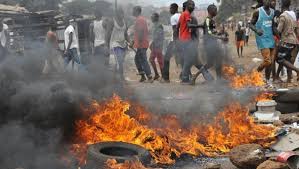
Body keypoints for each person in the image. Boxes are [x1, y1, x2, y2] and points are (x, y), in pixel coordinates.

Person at [178, 0, 212, 84]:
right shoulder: (187, 15)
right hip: (188, 41)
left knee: (195, 61)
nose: (193, 6)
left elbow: (177, 27)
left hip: (186, 41)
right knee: (189, 61)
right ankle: (185, 79)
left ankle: (209, 78)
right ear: (186, 6)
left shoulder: (184, 15)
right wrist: (201, 26)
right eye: (191, 5)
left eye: (194, 5)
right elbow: (192, 29)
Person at [250, 0, 276, 86]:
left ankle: (267, 81)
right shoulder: (258, 11)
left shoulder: (273, 12)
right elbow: (250, 24)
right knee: (267, 61)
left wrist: (279, 35)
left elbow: (273, 26)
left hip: (271, 38)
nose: (268, 1)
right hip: (262, 39)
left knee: (271, 62)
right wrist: (257, 30)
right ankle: (256, 73)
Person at [199, 4, 228, 80]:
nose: (216, 11)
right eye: (215, 10)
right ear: (210, 11)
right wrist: (221, 37)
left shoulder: (212, 20)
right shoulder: (208, 20)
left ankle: (219, 79)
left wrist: (220, 33)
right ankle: (219, 80)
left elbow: (213, 33)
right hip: (209, 45)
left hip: (213, 44)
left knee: (214, 63)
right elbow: (209, 33)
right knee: (213, 63)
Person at [275, 0, 299, 82]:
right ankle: (289, 79)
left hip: (286, 41)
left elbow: (279, 30)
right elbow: (296, 28)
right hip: (294, 40)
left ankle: (297, 70)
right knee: (287, 60)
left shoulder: (283, 16)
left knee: (279, 59)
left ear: (282, 5)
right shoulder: (293, 15)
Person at [132, 6, 154, 83]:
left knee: (143, 60)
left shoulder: (140, 20)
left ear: (137, 11)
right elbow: (137, 32)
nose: (132, 12)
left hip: (142, 44)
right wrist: (134, 42)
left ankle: (149, 77)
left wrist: (139, 43)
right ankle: (143, 77)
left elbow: (140, 32)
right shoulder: (140, 19)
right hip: (141, 43)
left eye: (133, 10)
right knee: (138, 59)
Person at [161, 3, 180, 83]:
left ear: (174, 9)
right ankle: (208, 76)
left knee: (166, 59)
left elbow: (175, 30)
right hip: (183, 40)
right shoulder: (181, 15)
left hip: (175, 40)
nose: (169, 10)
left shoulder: (173, 17)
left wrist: (175, 42)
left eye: (170, 9)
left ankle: (166, 78)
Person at [111, 8, 129, 80]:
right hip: (115, 44)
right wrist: (107, 44)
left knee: (120, 62)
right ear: (117, 14)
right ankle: (121, 77)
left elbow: (126, 34)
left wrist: (130, 42)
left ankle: (114, 76)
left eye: (122, 13)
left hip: (123, 44)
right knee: (120, 61)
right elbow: (108, 34)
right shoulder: (113, 22)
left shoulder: (125, 22)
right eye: (120, 13)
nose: (122, 15)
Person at [150, 13, 164, 81]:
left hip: (158, 45)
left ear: (156, 18)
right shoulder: (155, 25)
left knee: (160, 61)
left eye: (152, 17)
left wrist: (153, 43)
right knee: (152, 59)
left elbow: (158, 36)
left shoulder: (159, 25)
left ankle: (163, 76)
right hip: (156, 45)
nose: (151, 18)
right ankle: (157, 75)